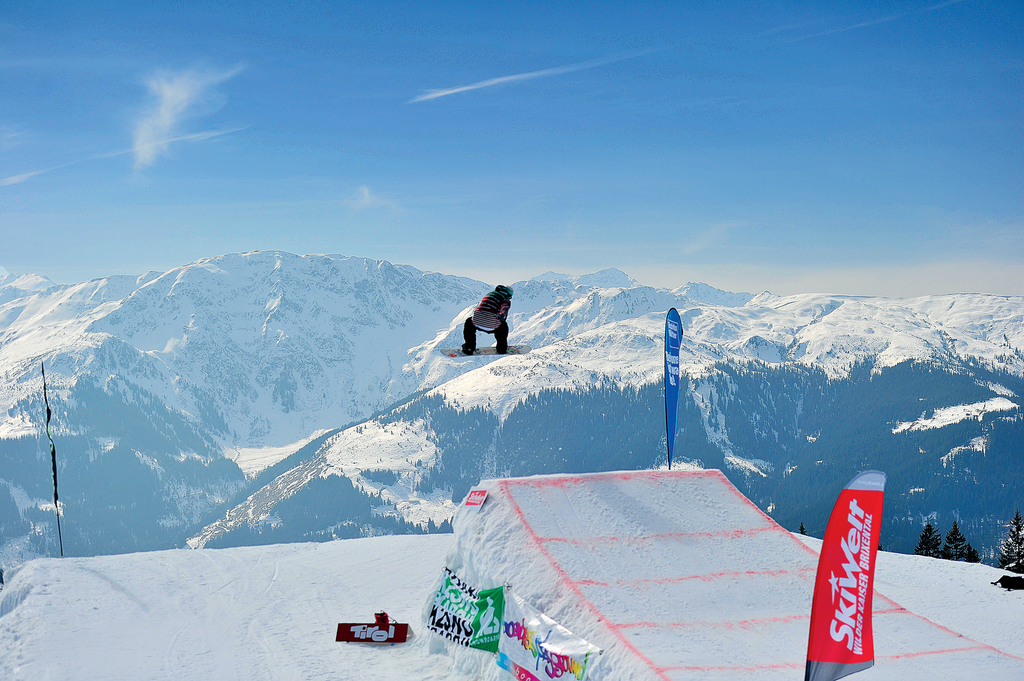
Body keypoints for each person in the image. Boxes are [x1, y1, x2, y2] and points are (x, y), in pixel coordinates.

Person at [463, 285, 513, 355]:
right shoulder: (505, 300)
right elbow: (503, 315)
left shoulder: (489, 295)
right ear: (507, 294)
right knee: (503, 326)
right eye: (510, 297)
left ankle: (469, 347)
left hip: (476, 322)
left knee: (468, 322)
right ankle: (501, 349)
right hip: (492, 325)